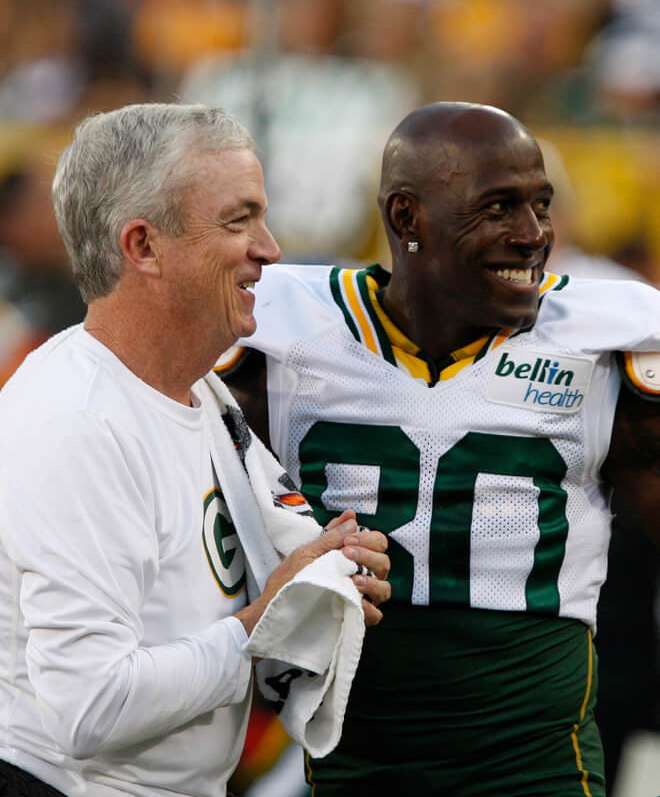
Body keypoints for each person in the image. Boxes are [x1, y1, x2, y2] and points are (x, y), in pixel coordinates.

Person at [220, 101, 660, 796]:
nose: (533, 235)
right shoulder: (273, 336)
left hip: (537, 766)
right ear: (407, 217)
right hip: (355, 762)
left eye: (541, 206)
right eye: (499, 208)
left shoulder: (604, 345)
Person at [0, 103, 390, 797]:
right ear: (144, 246)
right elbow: (90, 708)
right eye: (238, 221)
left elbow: (282, 554)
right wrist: (261, 625)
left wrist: (335, 566)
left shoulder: (200, 391)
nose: (269, 248)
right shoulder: (77, 422)